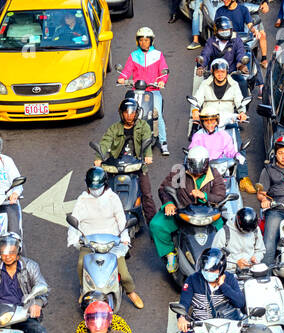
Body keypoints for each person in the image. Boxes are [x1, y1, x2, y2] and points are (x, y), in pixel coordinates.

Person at [68, 167, 145, 310]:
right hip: (90, 242)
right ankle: (84, 290)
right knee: (81, 264)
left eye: (97, 187)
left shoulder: (113, 198)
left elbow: (121, 220)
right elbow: (75, 220)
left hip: (111, 243)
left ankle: (131, 292)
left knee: (123, 272)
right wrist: (75, 238)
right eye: (92, 187)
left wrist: (124, 237)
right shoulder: (82, 199)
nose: (95, 190)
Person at [149, 145, 228, 273]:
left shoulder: (214, 174)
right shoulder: (179, 171)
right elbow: (164, 189)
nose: (196, 173)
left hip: (207, 215)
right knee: (157, 225)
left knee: (225, 231)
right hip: (182, 212)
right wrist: (168, 203)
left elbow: (220, 196)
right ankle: (170, 254)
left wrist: (205, 196)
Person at [96, 96, 158, 226]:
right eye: (126, 113)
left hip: (137, 166)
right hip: (116, 166)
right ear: (122, 113)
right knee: (101, 192)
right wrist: (98, 158)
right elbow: (105, 142)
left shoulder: (143, 126)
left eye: (132, 113)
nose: (129, 116)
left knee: (147, 195)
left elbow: (147, 141)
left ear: (136, 113)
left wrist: (148, 156)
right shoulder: (114, 128)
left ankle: (153, 226)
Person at [117, 27, 171, 155]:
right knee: (128, 112)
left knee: (159, 115)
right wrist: (122, 78)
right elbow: (127, 70)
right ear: (138, 41)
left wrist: (162, 80)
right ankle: (123, 140)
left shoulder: (158, 55)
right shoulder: (133, 56)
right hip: (137, 91)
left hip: (153, 90)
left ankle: (163, 142)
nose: (144, 42)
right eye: (141, 40)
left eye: (146, 40)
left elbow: (164, 70)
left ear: (151, 41)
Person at [216, 205, 266, 271]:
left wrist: (256, 258)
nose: (246, 233)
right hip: (230, 272)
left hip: (251, 270)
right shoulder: (223, 233)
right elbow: (215, 259)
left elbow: (261, 250)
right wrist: (235, 264)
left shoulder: (255, 230)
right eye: (244, 231)